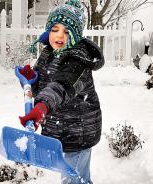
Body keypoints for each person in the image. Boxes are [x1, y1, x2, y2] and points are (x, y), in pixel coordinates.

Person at [18, 0, 104, 183]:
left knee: (74, 179)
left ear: (75, 35)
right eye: (55, 29)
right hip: (61, 127)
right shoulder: (48, 53)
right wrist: (32, 78)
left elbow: (61, 87)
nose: (60, 35)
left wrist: (43, 106)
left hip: (79, 131)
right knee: (73, 178)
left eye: (67, 31)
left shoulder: (78, 60)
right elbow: (43, 88)